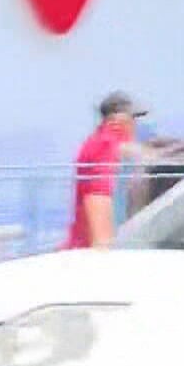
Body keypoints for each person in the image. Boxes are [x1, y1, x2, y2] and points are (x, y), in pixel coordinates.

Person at [64, 91, 146, 250]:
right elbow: (98, 197)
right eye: (133, 118)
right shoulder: (105, 145)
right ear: (116, 120)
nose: (135, 125)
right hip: (91, 255)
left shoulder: (102, 143)